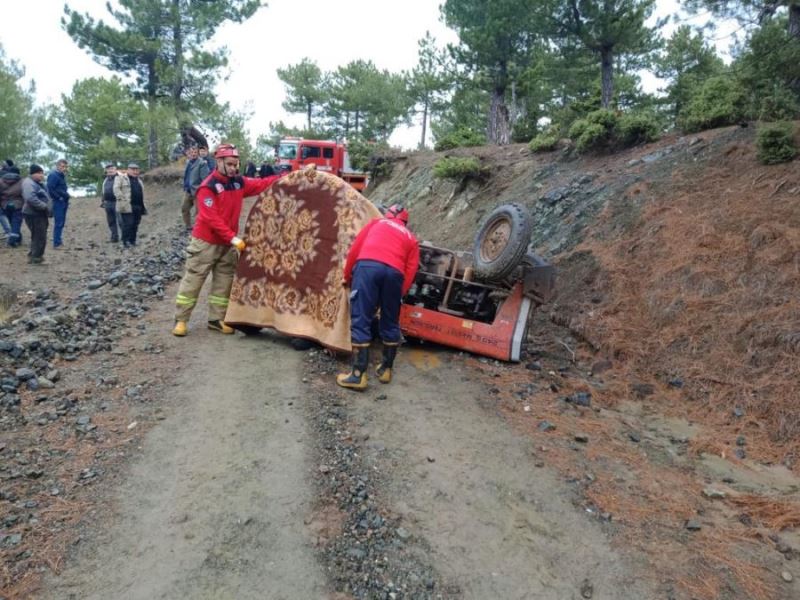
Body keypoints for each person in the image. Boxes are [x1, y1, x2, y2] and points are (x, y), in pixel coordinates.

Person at [172, 143, 281, 337]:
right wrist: (233, 238)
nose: (233, 168)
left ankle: (216, 319)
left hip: (227, 244)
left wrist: (284, 177)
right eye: (230, 164)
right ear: (219, 162)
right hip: (205, 243)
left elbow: (261, 184)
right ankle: (181, 320)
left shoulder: (238, 182)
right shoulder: (208, 187)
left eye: (235, 164)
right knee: (193, 281)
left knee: (224, 282)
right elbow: (210, 218)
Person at [337, 204, 419, 390]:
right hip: (395, 275)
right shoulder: (411, 238)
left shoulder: (376, 223)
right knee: (390, 322)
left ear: (388, 215)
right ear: (405, 222)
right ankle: (385, 370)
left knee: (361, 318)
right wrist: (399, 293)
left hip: (368, 267)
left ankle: (358, 375)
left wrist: (347, 275)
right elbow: (411, 270)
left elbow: (355, 250)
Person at [21, 164, 52, 265]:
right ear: (33, 173)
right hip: (34, 214)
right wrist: (44, 206)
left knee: (38, 236)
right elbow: (31, 198)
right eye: (39, 173)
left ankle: (34, 256)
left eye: (42, 173)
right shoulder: (28, 183)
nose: (41, 175)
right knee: (39, 236)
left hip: (39, 214)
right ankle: (36, 258)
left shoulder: (37, 183)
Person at [114, 163, 146, 248]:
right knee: (128, 224)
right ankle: (125, 241)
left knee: (135, 224)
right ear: (128, 170)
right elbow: (116, 189)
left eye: (136, 170)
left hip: (138, 205)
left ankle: (133, 240)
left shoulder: (139, 180)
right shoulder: (120, 178)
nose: (135, 171)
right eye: (133, 169)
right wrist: (122, 199)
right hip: (127, 205)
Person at [46, 159, 70, 249]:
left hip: (63, 201)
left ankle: (59, 241)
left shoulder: (61, 176)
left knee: (62, 222)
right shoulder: (53, 175)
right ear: (58, 166)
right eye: (62, 166)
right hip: (58, 202)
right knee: (59, 222)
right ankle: (57, 243)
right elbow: (50, 188)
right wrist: (58, 197)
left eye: (65, 166)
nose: (64, 168)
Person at [0, 166, 24, 247]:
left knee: (12, 223)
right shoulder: (22, 181)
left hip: (5, 205)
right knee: (16, 223)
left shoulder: (1, 180)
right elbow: (24, 193)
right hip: (18, 205)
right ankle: (12, 241)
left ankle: (18, 239)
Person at [101, 163, 119, 243]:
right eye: (108, 169)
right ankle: (114, 237)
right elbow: (103, 191)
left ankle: (125, 238)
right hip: (108, 203)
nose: (110, 170)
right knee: (111, 221)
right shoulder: (105, 180)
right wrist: (103, 201)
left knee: (121, 221)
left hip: (118, 202)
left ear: (115, 169)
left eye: (112, 168)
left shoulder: (120, 178)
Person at [181, 145, 198, 230]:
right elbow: (186, 176)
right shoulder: (189, 163)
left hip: (197, 192)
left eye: (195, 152)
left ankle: (199, 228)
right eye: (191, 152)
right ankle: (188, 226)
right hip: (188, 191)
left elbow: (204, 178)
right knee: (184, 208)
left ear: (197, 153)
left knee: (198, 212)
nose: (193, 154)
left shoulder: (201, 163)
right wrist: (185, 185)